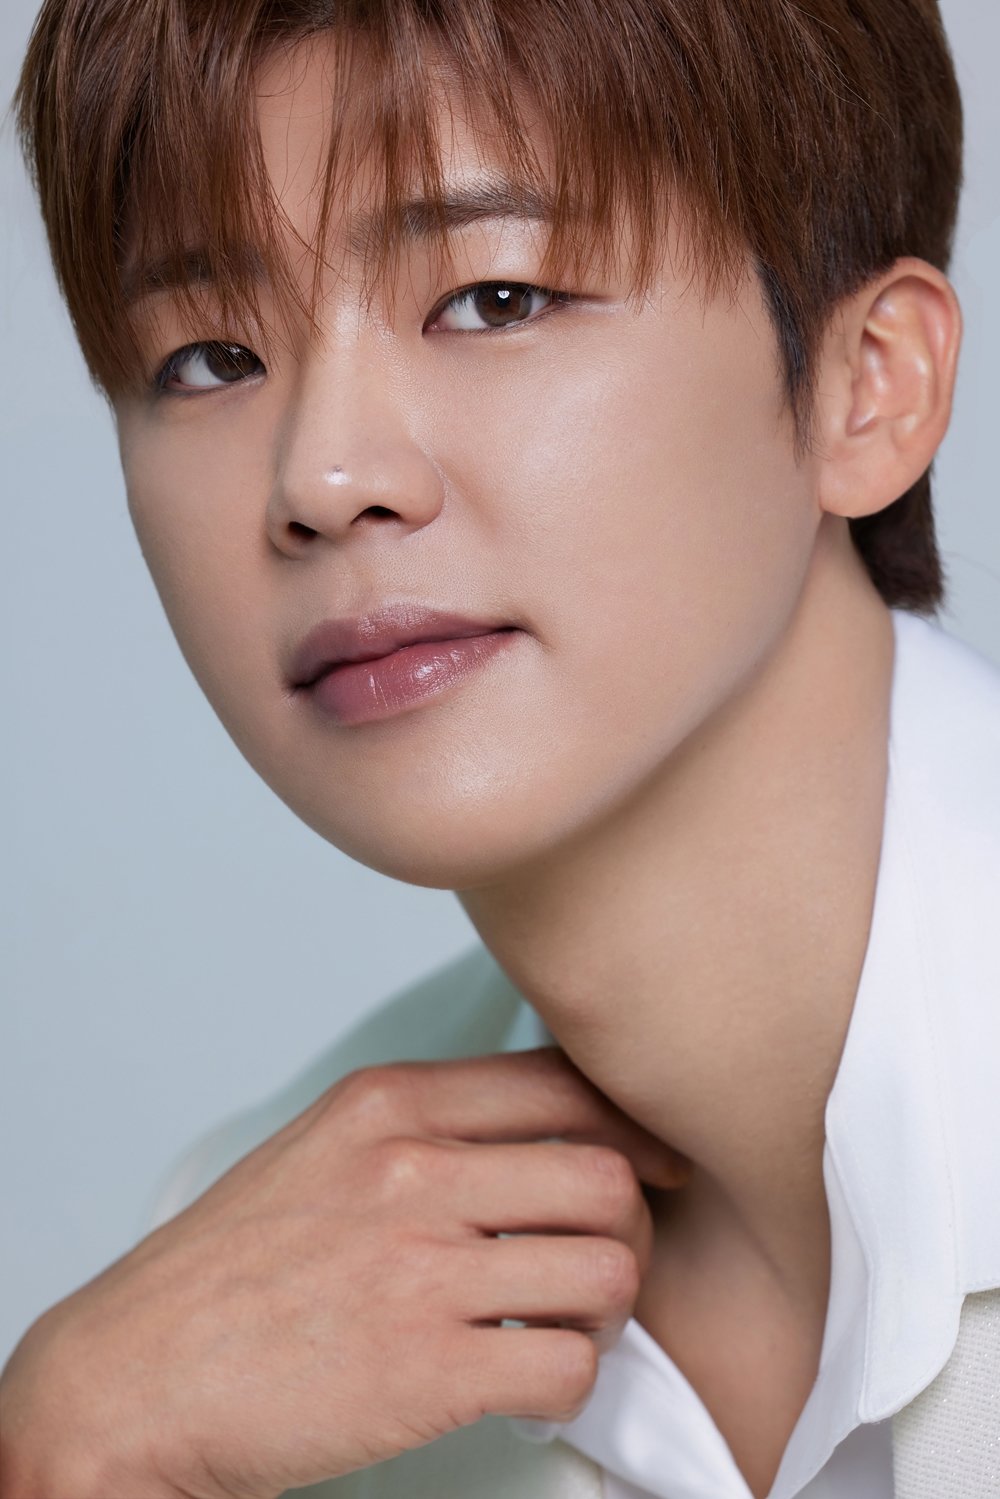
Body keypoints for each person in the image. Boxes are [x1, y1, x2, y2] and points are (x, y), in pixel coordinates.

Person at [1, 2, 998, 1497]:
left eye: (494, 300)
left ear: (871, 382)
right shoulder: (237, 1321)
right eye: (208, 357)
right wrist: (65, 1454)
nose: (324, 476)